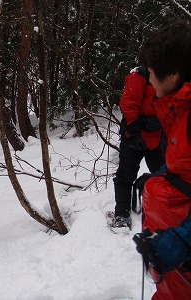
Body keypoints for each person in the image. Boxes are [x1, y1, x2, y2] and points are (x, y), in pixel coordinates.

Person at [132, 21, 191, 300]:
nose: (150, 80)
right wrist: (164, 176)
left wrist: (182, 239)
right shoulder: (177, 109)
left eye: (153, 73)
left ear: (175, 74)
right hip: (177, 275)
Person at [111, 66, 164, 231]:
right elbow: (129, 104)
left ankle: (163, 211)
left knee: (164, 176)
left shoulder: (171, 75)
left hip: (157, 137)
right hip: (134, 136)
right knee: (125, 175)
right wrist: (134, 133)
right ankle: (121, 213)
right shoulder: (140, 75)